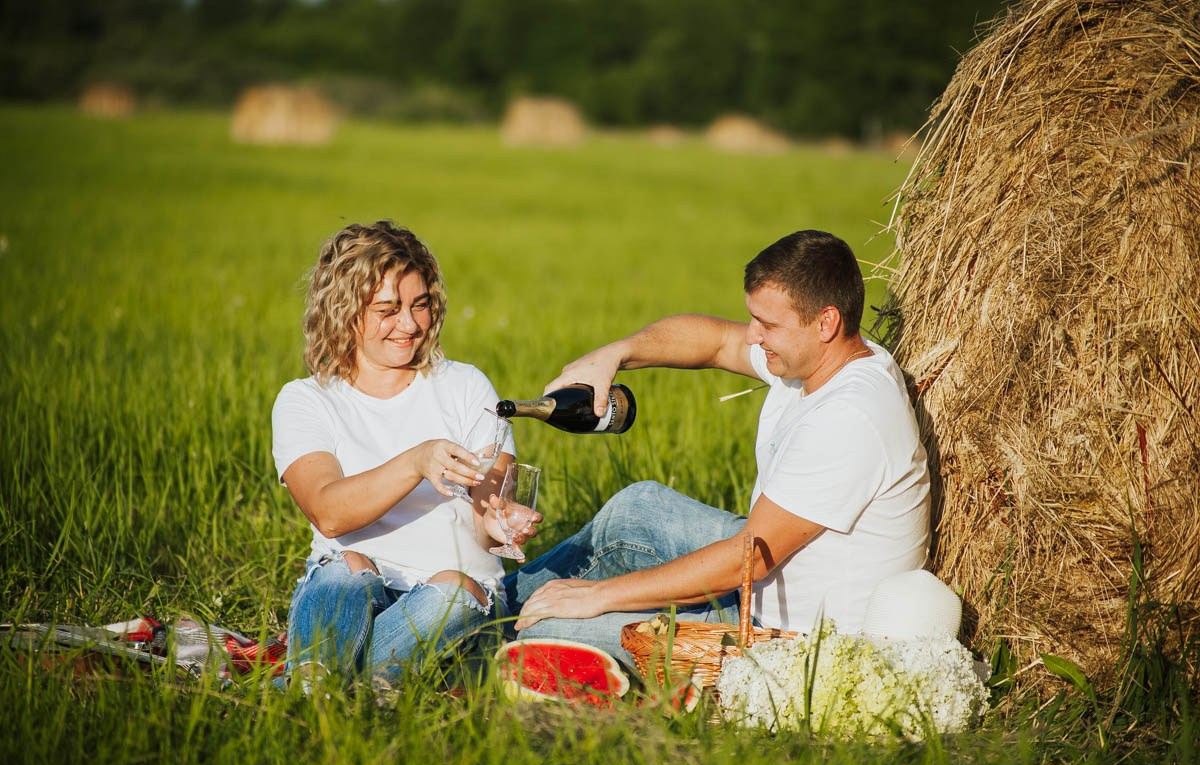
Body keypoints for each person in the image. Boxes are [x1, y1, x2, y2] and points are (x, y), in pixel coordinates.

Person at [504, 230, 930, 669]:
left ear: (826, 322)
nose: (751, 336)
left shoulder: (852, 415)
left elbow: (747, 560)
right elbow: (716, 341)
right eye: (753, 319)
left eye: (767, 325)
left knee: (547, 630)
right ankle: (485, 601)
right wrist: (617, 353)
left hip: (795, 640)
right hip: (763, 574)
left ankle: (475, 630)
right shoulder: (819, 358)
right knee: (637, 508)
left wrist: (598, 596)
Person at [271, 220, 537, 690]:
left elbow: (488, 515)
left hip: (453, 600)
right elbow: (329, 515)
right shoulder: (306, 400)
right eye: (388, 310)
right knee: (345, 567)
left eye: (420, 305)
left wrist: (498, 524)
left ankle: (316, 684)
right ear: (342, 310)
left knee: (456, 588)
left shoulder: (465, 386)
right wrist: (416, 461)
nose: (411, 325)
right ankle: (358, 686)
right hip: (354, 586)